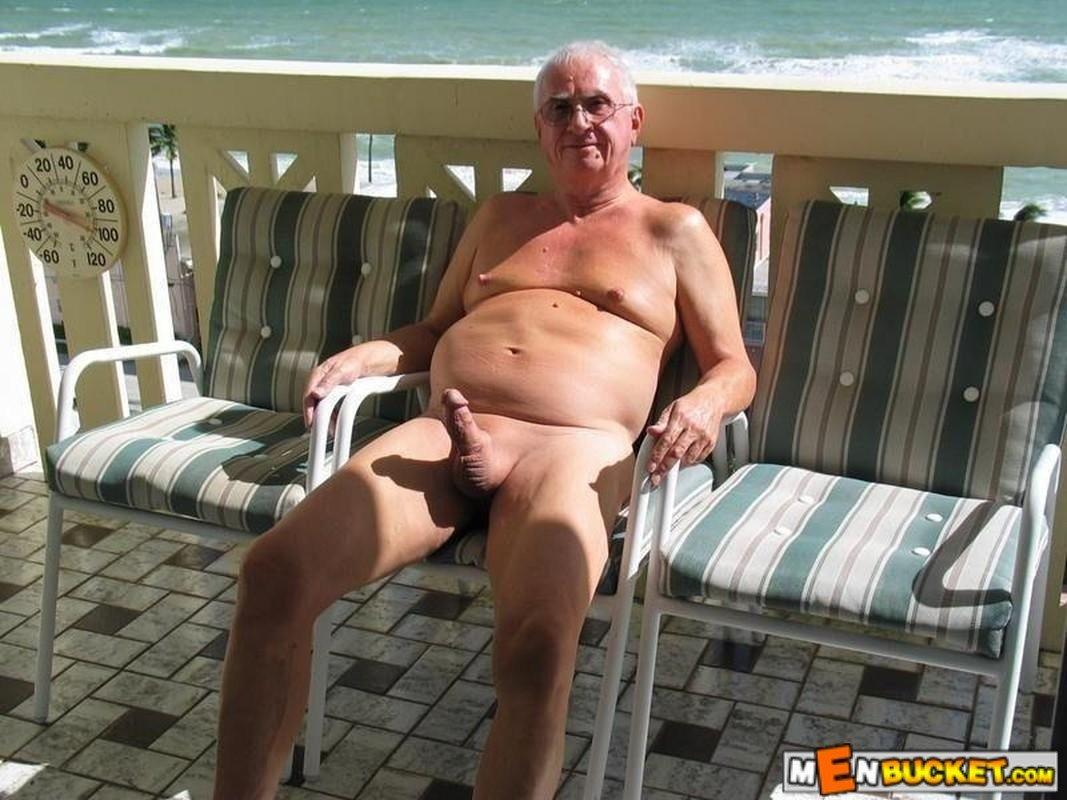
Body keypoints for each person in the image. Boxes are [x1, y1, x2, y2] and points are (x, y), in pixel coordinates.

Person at [213, 40, 755, 800]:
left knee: (536, 652)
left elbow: (735, 366)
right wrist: (373, 353)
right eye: (559, 109)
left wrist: (701, 403)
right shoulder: (500, 217)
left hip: (573, 452)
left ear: (633, 122)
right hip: (447, 430)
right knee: (272, 575)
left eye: (597, 105)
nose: (579, 122)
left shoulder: (675, 231)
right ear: (539, 129)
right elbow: (434, 329)